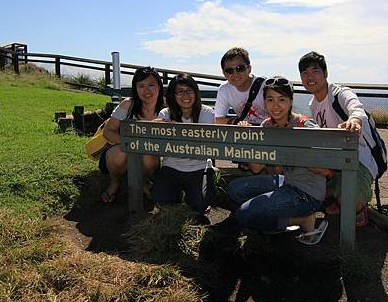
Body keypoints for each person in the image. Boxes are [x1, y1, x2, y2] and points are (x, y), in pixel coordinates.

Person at [226, 76, 330, 245]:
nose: (276, 106)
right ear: (265, 102)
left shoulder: (305, 126)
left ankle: (302, 220)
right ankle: (274, 212)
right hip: (285, 182)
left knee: (244, 215)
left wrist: (290, 151)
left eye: (282, 100)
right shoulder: (267, 126)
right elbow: (257, 168)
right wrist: (249, 140)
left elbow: (324, 169)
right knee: (234, 189)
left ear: (290, 101)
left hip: (307, 193)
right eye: (270, 100)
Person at [299, 51, 375, 226]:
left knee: (348, 203)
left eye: (315, 71)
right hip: (337, 161)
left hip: (361, 159)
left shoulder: (339, 94)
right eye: (304, 73)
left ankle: (355, 204)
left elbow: (356, 108)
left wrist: (354, 120)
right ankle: (336, 196)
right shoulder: (313, 104)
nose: (309, 77)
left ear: (325, 73)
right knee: (313, 191)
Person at [152, 73, 216, 213]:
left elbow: (204, 143)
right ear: (173, 95)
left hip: (199, 166)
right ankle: (179, 192)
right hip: (172, 165)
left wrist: (175, 127)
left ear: (196, 92)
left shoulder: (206, 112)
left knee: (200, 206)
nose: (185, 95)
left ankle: (191, 193)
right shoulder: (164, 114)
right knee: (161, 201)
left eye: (189, 91)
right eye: (180, 91)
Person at [100, 66, 164, 203]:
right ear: (135, 88)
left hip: (151, 154)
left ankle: (144, 182)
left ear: (159, 86)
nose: (146, 90)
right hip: (124, 150)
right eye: (141, 86)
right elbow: (108, 131)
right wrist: (132, 144)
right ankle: (115, 182)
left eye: (151, 85)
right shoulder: (128, 104)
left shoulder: (166, 108)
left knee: (149, 154)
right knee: (119, 153)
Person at [214, 47, 268, 125]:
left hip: (270, 130)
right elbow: (218, 120)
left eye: (240, 68)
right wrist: (237, 122)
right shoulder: (224, 89)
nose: (235, 74)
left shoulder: (265, 86)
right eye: (229, 71)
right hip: (244, 132)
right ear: (224, 74)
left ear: (249, 69)